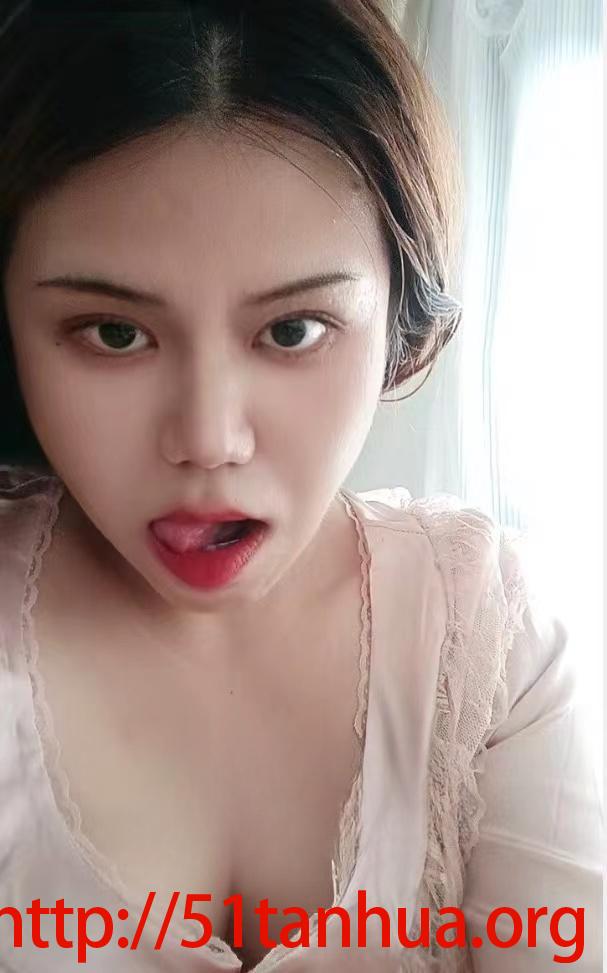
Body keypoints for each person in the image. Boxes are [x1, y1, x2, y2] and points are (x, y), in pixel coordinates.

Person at [0, 2, 602, 971]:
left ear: (398, 315)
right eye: (114, 333)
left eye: (291, 331)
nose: (208, 440)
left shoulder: (492, 638)